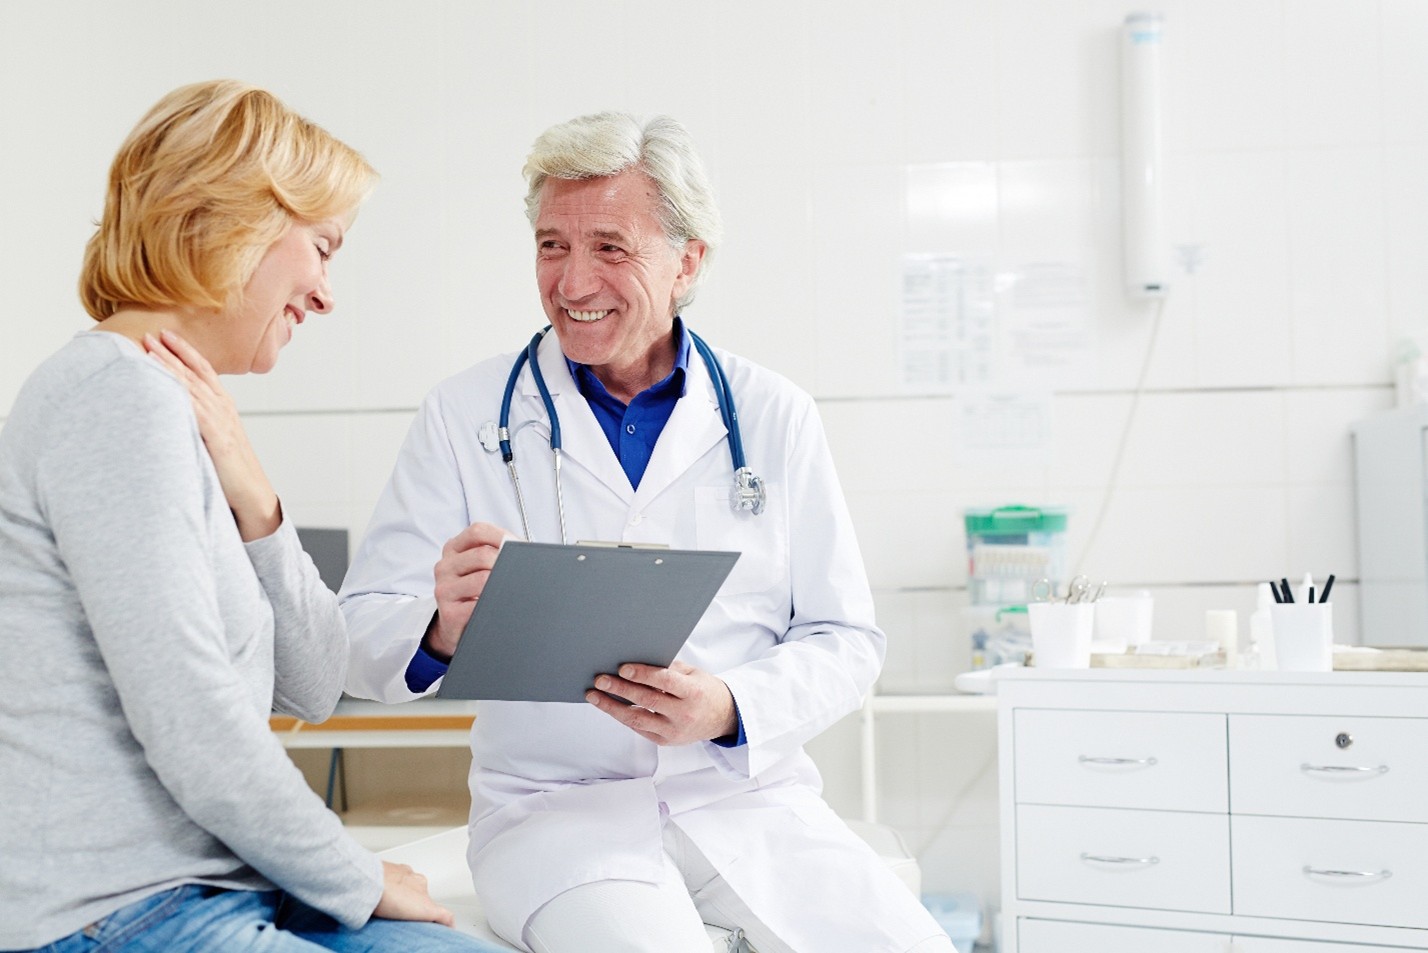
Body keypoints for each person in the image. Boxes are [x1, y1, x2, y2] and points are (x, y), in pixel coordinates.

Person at [340, 112, 953, 953]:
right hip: (557, 816)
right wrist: (438, 628)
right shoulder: (465, 415)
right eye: (552, 245)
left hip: (746, 800)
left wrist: (730, 706)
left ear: (687, 261)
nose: (571, 278)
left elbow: (846, 637)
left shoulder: (773, 415)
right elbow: (360, 625)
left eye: (610, 248)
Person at [0, 80, 502, 953]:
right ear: (235, 222)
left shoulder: (172, 408)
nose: (326, 294)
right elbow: (194, 726)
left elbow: (312, 684)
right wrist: (355, 874)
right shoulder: (113, 399)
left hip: (213, 886)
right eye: (323, 247)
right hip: (118, 915)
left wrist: (258, 499)